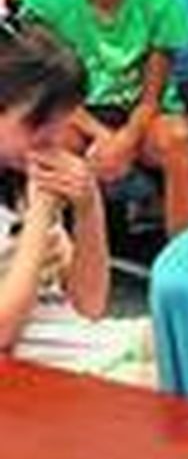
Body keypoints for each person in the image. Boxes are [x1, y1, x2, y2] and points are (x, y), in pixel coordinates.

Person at [21, 0, 188, 236]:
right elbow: (50, 87)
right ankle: (51, 260)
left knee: (179, 141)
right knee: (46, 142)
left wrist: (126, 140)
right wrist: (101, 136)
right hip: (75, 109)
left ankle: (180, 267)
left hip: (143, 113)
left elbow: (152, 96)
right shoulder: (42, 1)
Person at [0, 19, 150, 382]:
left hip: (82, 342)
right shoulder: (32, 193)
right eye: (38, 125)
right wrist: (38, 219)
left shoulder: (19, 177)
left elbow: (90, 304)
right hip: (46, 372)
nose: (52, 141)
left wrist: (88, 206)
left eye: (59, 124)